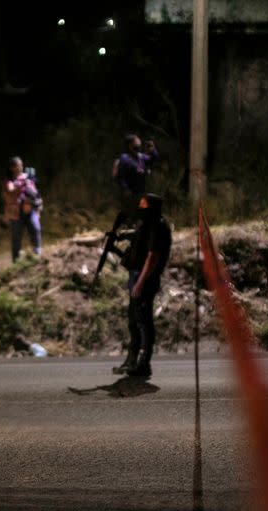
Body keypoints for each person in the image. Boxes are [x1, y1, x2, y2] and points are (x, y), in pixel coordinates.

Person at [113, 193, 171, 378]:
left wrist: (141, 281)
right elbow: (139, 236)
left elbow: (153, 257)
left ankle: (144, 363)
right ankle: (132, 360)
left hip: (146, 279)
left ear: (152, 208)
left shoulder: (158, 226)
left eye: (144, 206)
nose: (140, 209)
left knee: (143, 321)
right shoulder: (147, 224)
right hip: (137, 276)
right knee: (133, 319)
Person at [112, 134, 158, 227]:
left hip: (141, 191)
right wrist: (125, 189)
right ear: (130, 145)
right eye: (137, 143)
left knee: (143, 211)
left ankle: (139, 230)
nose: (139, 146)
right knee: (131, 214)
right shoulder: (125, 158)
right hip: (130, 192)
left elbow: (153, 159)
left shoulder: (140, 157)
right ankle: (127, 227)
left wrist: (152, 150)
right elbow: (120, 176)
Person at [2, 156, 42, 262]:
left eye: (21, 165)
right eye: (18, 165)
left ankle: (37, 253)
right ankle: (16, 260)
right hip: (16, 212)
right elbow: (10, 191)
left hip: (30, 208)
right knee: (16, 236)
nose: (20, 167)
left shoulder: (28, 177)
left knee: (35, 228)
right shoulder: (9, 181)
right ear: (12, 168)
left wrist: (38, 205)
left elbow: (35, 192)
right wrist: (22, 183)